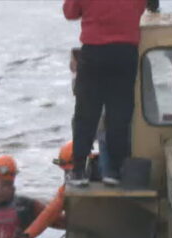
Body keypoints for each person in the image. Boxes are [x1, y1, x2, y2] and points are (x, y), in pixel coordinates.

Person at [63, 0, 155, 187]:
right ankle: (114, 171)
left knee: (86, 113)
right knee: (119, 113)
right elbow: (150, 5)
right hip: (125, 52)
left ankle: (79, 170)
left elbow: (70, 12)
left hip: (94, 51)